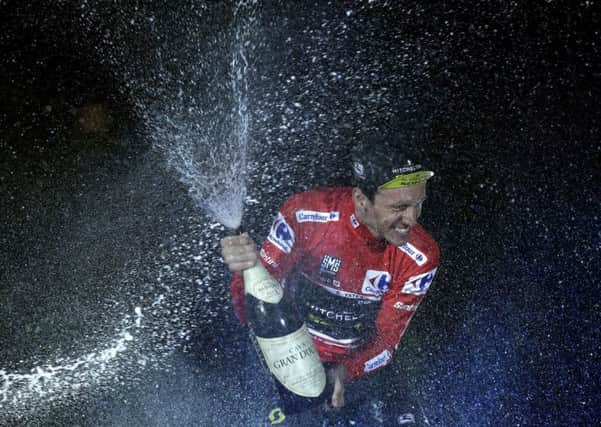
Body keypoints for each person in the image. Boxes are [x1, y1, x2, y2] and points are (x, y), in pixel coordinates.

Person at [220, 129, 440, 419]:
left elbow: (386, 342)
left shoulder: (421, 255)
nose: (411, 220)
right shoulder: (304, 215)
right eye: (399, 207)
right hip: (283, 364)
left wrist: (344, 374)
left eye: (418, 203)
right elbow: (248, 314)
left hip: (358, 369)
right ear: (362, 199)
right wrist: (244, 270)